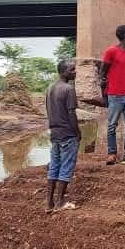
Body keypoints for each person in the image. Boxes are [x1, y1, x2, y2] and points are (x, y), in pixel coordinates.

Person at [100, 24, 125, 165]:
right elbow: (103, 74)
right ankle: (112, 154)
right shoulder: (111, 51)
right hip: (115, 95)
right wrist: (104, 95)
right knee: (112, 125)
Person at [45, 58, 80, 212]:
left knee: (54, 167)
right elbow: (71, 113)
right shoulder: (68, 89)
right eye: (72, 70)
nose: (75, 72)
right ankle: (60, 202)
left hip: (55, 133)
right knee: (66, 167)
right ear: (64, 72)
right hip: (67, 133)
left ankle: (49, 204)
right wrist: (77, 132)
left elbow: (49, 111)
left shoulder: (50, 88)